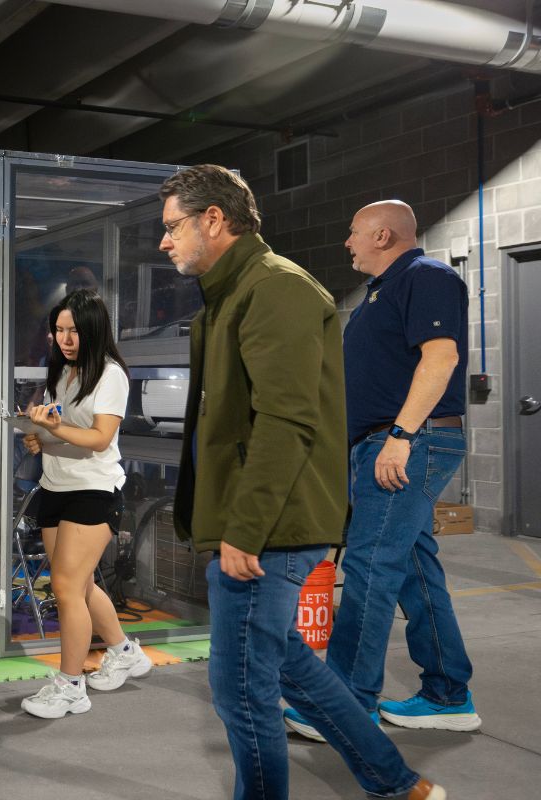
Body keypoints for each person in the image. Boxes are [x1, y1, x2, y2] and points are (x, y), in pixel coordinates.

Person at [162, 165, 444, 800]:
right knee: (292, 667)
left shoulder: (276, 289)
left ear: (214, 219)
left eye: (173, 226)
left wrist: (245, 528)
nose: (165, 240)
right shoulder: (232, 294)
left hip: (271, 524)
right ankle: (397, 782)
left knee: (239, 688)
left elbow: (284, 420)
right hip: (261, 518)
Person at [285, 200, 478, 743]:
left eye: (353, 233)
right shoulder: (381, 292)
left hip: (406, 443)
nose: (347, 243)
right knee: (415, 571)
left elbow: (440, 359)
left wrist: (400, 437)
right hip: (384, 443)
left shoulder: (426, 276)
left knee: (370, 566)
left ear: (384, 234)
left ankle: (347, 703)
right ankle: (447, 694)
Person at [17, 289, 152, 719]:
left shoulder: (110, 374)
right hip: (56, 487)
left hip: (94, 491)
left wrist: (56, 429)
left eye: (73, 330)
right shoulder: (61, 373)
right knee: (81, 585)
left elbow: (98, 438)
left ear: (93, 329)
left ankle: (71, 685)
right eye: (58, 330)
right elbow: (65, 430)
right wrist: (39, 434)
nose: (65, 338)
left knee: (66, 588)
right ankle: (125, 651)